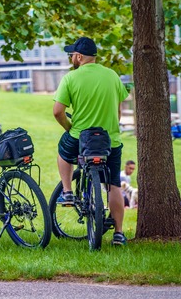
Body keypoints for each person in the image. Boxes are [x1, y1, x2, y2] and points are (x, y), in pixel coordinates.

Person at [53, 36, 129, 246]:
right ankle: (119, 233)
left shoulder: (71, 78)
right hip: (109, 140)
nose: (71, 58)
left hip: (80, 137)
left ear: (79, 56)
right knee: (114, 184)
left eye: (72, 55)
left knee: (63, 152)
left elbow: (58, 111)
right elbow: (118, 111)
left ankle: (68, 192)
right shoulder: (112, 76)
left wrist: (69, 129)